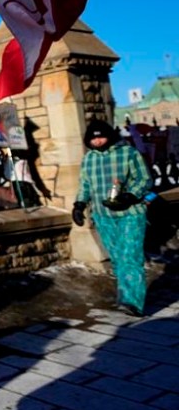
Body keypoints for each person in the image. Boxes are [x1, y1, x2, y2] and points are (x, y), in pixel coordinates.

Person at [72, 119, 152, 316]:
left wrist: (130, 195)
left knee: (130, 256)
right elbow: (85, 185)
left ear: (110, 136)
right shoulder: (88, 159)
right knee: (117, 258)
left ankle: (133, 302)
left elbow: (144, 179)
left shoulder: (128, 153)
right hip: (103, 215)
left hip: (130, 213)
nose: (98, 141)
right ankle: (125, 295)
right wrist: (79, 204)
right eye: (94, 138)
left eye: (101, 136)